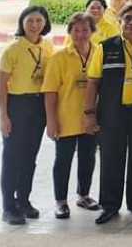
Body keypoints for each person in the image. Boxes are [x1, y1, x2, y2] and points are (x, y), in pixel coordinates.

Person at [84, 2, 132, 224]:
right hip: (111, 113)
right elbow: (93, 82)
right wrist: (89, 113)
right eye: (128, 19)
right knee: (110, 160)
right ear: (119, 22)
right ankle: (109, 205)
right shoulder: (105, 47)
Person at [0, 5, 53, 224]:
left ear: (45, 23)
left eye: (39, 20)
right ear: (22, 23)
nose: (34, 25)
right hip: (17, 105)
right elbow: (1, 86)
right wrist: (4, 116)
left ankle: (23, 200)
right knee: (12, 157)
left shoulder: (48, 47)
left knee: (30, 157)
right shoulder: (13, 49)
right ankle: (8, 206)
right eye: (30, 20)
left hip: (38, 106)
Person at [43, 12, 99, 219]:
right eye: (76, 30)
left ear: (92, 31)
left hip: (91, 118)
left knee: (88, 158)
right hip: (65, 118)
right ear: (69, 32)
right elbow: (50, 91)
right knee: (63, 160)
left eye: (85, 29)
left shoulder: (99, 53)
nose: (81, 34)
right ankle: (60, 201)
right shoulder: (59, 58)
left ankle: (83, 195)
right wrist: (51, 121)